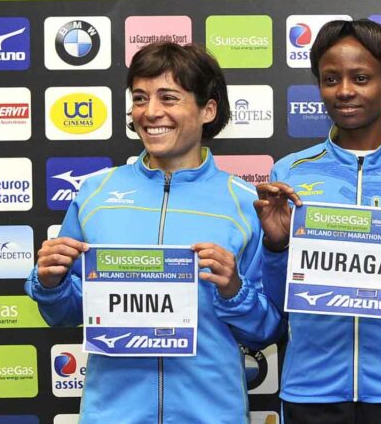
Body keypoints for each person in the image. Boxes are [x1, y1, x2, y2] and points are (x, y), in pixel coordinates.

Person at [26, 42, 280, 421]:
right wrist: (51, 283)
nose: (151, 112)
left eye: (169, 97)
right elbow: (65, 314)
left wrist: (233, 290)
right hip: (113, 415)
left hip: (210, 414)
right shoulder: (96, 192)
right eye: (140, 98)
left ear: (208, 109)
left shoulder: (245, 203)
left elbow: (267, 329)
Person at [254, 19, 381, 424]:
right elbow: (276, 301)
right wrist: (276, 246)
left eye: (360, 78)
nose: (344, 91)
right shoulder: (290, 173)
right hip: (311, 389)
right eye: (331, 79)